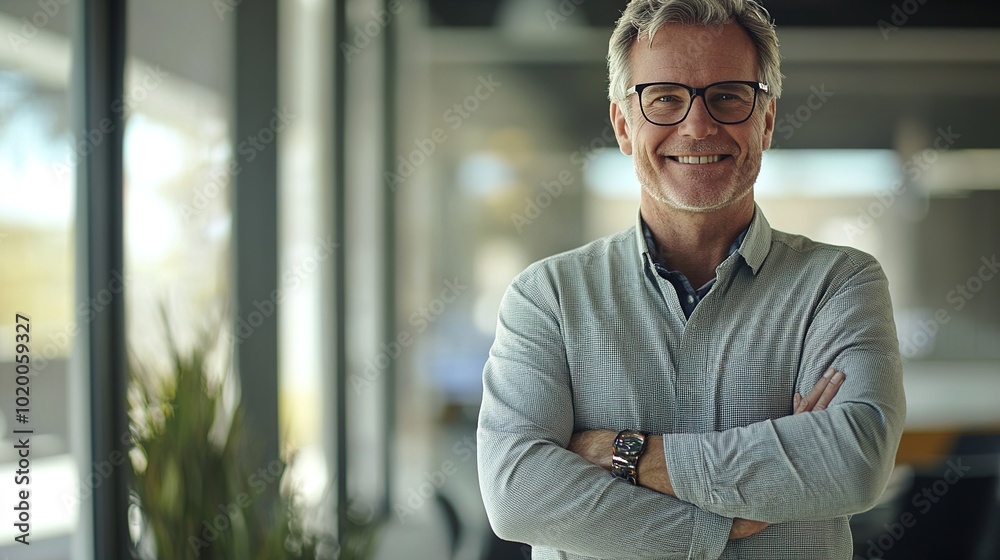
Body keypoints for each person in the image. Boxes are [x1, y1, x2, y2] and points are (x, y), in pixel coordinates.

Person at [476, 0, 906, 558]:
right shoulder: (548, 299)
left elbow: (852, 463)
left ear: (767, 120)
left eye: (728, 96)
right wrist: (726, 519)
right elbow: (518, 496)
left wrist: (627, 454)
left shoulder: (840, 284)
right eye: (665, 100)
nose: (698, 126)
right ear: (624, 126)